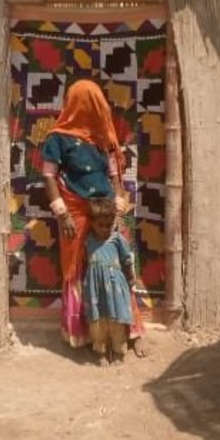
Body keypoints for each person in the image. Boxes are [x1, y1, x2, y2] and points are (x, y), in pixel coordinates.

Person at [41, 79, 142, 349]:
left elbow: (114, 176)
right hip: (73, 211)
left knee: (114, 267)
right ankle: (83, 333)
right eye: (95, 103)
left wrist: (119, 204)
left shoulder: (103, 138)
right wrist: (62, 215)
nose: (101, 109)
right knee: (76, 268)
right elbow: (49, 176)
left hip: (105, 213)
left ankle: (129, 331)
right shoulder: (57, 138)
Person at [81, 198, 137, 365]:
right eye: (101, 225)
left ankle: (119, 351)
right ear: (92, 223)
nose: (105, 229)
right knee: (97, 321)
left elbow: (127, 260)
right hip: (94, 287)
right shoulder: (87, 240)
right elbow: (83, 262)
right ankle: (100, 351)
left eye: (108, 224)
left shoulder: (117, 239)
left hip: (115, 285)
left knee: (116, 320)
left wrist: (130, 277)